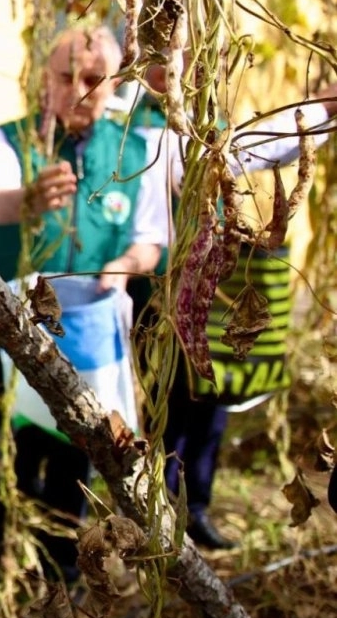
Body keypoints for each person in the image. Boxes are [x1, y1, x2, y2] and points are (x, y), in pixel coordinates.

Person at [0, 26, 168, 585]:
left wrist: (123, 266)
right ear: (45, 79)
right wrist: (29, 198)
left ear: (113, 84)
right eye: (66, 76)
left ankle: (59, 563)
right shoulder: (12, 140)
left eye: (94, 78)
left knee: (78, 439)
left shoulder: (136, 149)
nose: (79, 89)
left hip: (89, 326)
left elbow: (150, 238)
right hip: (11, 319)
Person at [126, 66, 337, 550]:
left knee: (211, 394)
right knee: (169, 399)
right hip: (155, 287)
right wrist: (320, 108)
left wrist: (319, 111)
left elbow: (258, 147)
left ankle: (193, 508)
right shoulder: (133, 126)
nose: (181, 69)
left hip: (208, 282)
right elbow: (216, 158)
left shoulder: (207, 123)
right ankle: (159, 509)